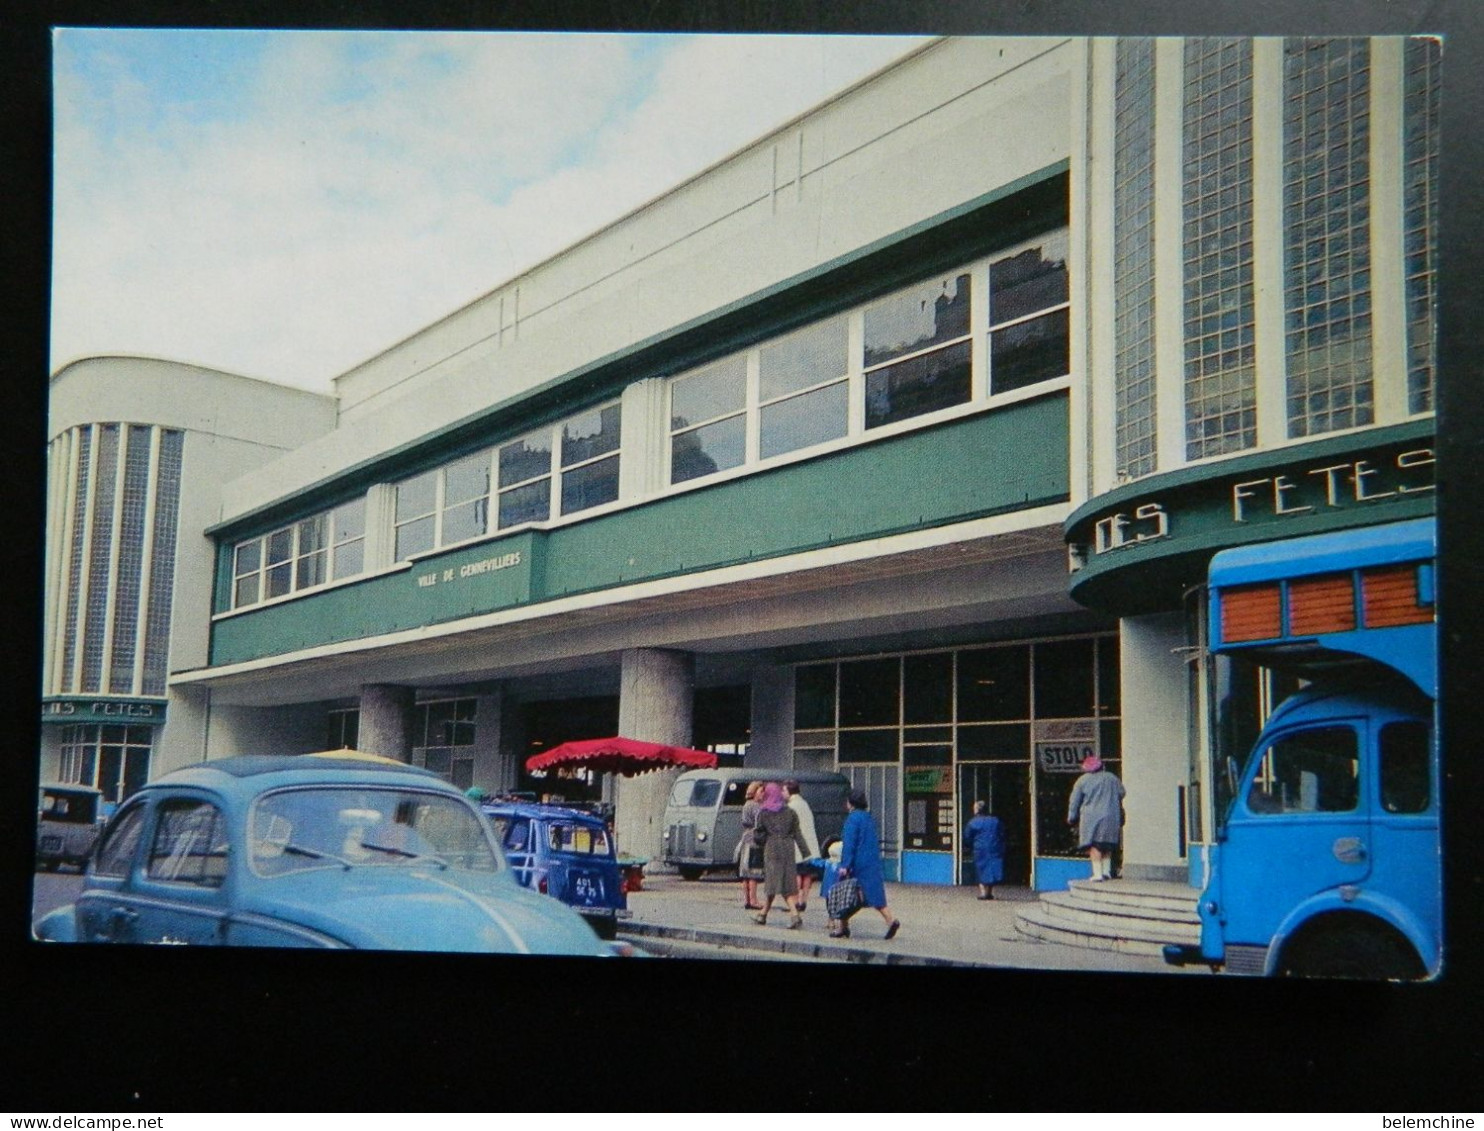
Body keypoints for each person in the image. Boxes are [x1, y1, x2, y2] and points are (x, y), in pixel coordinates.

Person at [833, 789, 899, 940]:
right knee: (875, 893)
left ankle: (842, 927)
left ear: (851, 803)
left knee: (845, 894)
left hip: (857, 863)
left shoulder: (852, 819)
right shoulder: (869, 818)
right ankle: (890, 920)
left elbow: (849, 844)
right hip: (872, 861)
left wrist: (845, 865)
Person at [752, 782, 810, 929]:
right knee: (783, 881)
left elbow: (759, 835)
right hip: (788, 848)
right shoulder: (791, 813)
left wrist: (758, 841)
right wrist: (806, 852)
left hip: (772, 849)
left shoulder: (764, 812)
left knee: (774, 882)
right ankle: (763, 914)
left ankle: (794, 915)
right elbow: (798, 834)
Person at [1067, 754, 1126, 882]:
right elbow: (1122, 792)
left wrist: (1072, 817)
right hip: (1111, 816)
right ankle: (1106, 872)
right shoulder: (1112, 778)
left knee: (1094, 845)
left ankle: (1097, 874)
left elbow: (1074, 801)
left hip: (1091, 817)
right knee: (1106, 844)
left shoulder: (1082, 780)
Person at [785, 779, 822, 913]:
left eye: (783, 790)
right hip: (810, 847)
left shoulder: (792, 806)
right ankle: (803, 901)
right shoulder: (804, 804)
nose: (782, 793)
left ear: (789, 791)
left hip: (798, 847)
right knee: (807, 875)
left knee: (796, 874)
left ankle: (794, 902)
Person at [963, 799, 1005, 900]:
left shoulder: (973, 822)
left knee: (981, 869)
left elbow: (967, 836)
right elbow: (1002, 834)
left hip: (980, 849)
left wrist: (968, 846)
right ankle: (989, 892)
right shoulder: (995, 821)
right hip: (994, 848)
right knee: (991, 870)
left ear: (977, 810)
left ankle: (983, 892)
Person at [736, 780, 766, 910]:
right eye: (761, 791)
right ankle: (754, 900)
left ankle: (747, 900)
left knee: (745, 873)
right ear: (754, 792)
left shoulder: (746, 805)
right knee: (754, 872)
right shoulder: (756, 807)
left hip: (745, 838)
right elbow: (760, 824)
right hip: (755, 840)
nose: (763, 794)